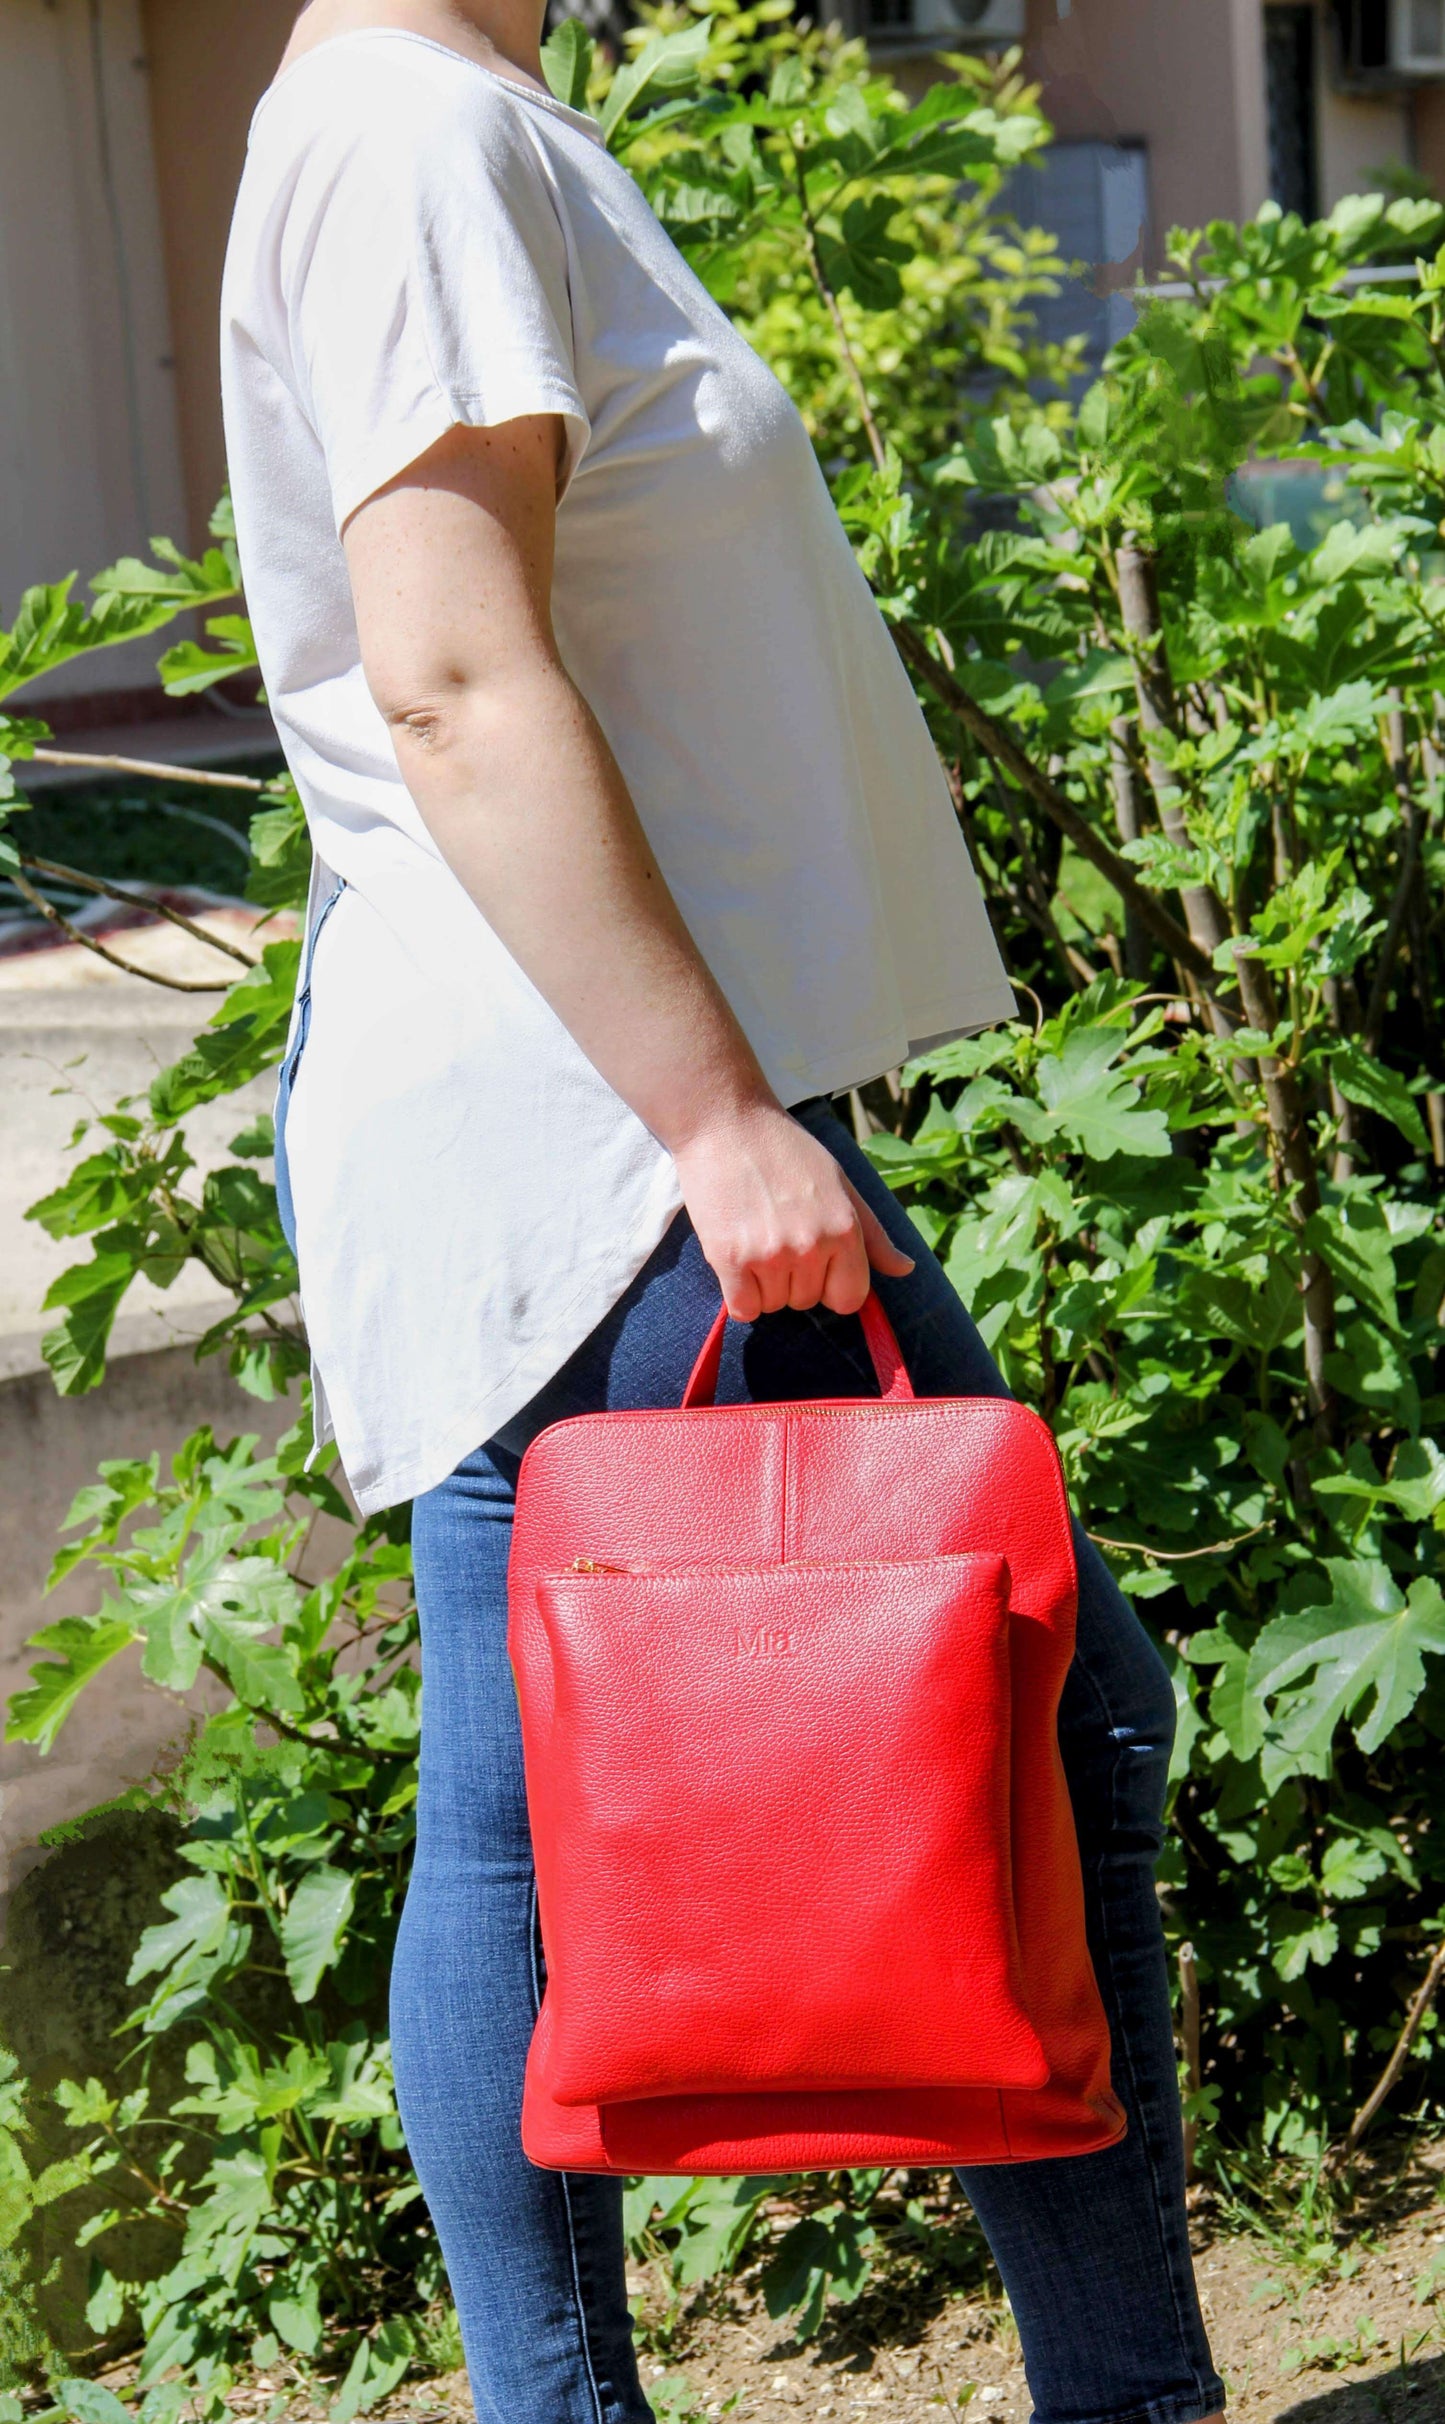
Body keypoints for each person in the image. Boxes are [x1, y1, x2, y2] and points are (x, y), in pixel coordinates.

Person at [219, 3, 1226, 2419]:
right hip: (611, 1129)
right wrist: (714, 1120)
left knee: (530, 1814)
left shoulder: (441, 117)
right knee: (1029, 1732)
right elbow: (451, 669)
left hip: (602, 1108)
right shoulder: (417, 128)